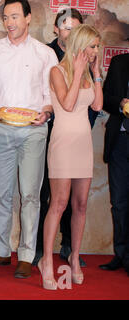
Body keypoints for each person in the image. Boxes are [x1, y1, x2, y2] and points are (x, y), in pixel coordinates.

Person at [0, 0, 58, 279]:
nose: (9, 22)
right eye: (5, 18)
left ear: (28, 18)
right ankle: (1, 250)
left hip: (34, 132)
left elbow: (51, 93)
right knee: (1, 194)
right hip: (1, 129)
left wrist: (47, 110)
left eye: (15, 16)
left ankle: (26, 255)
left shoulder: (45, 53)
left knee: (30, 195)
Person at [38, 24, 103, 290]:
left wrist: (96, 74)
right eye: (92, 46)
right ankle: (47, 262)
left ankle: (74, 258)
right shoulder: (56, 71)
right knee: (59, 203)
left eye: (98, 47)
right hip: (63, 143)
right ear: (79, 46)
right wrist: (77, 73)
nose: (95, 51)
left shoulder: (89, 72)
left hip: (83, 144)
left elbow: (97, 106)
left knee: (81, 205)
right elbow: (66, 104)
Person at [34, 8, 91, 268]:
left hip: (79, 136)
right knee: (50, 196)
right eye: (66, 27)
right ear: (56, 28)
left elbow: (94, 104)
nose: (70, 32)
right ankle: (39, 251)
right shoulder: (46, 55)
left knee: (76, 201)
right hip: (50, 132)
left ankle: (70, 248)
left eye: (75, 28)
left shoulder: (86, 58)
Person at [99, 52, 128, 276]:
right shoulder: (119, 63)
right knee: (118, 202)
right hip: (119, 142)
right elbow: (105, 98)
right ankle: (121, 255)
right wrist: (120, 103)